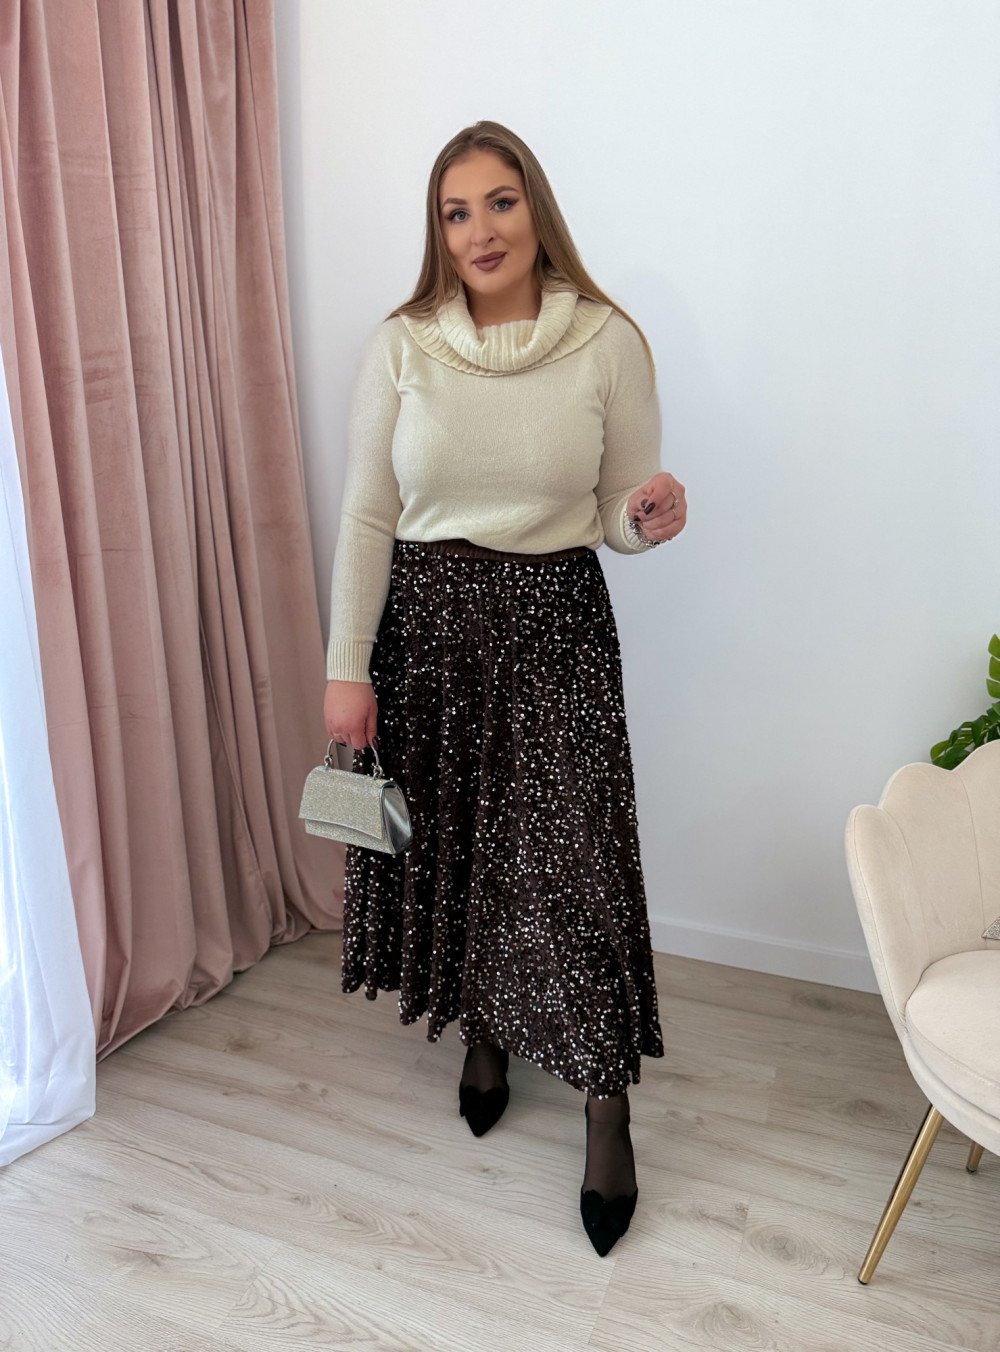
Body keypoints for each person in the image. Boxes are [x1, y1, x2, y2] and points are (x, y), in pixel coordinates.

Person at [323, 120, 688, 1257]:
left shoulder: (607, 341)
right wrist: (345, 668)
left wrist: (646, 519)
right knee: (461, 847)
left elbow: (618, 506)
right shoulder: (403, 346)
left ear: (536, 209)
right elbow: (368, 515)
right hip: (427, 635)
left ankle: (604, 1105)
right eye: (455, 211)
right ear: (437, 232)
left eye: (499, 201)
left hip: (556, 631)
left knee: (576, 869)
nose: (479, 230)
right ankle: (483, 1033)